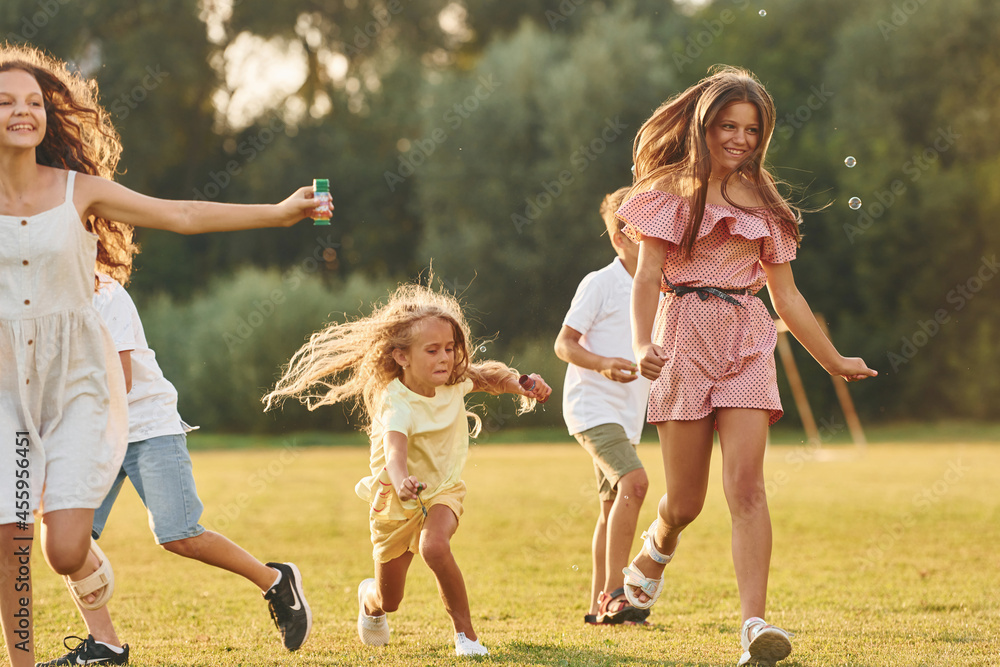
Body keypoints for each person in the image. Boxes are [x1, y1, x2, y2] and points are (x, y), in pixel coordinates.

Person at [0, 44, 319, 667]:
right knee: (11, 541)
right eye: (6, 102)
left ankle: (105, 624)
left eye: (34, 102)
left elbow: (183, 214)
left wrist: (278, 214)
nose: (23, 111)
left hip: (77, 391)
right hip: (9, 394)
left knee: (64, 551)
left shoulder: (79, 190)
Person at [618, 66, 877, 666]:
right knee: (686, 502)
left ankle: (754, 627)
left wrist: (833, 359)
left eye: (753, 130)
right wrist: (640, 344)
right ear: (703, 126)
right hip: (681, 341)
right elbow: (647, 277)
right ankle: (657, 545)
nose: (740, 138)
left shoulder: (765, 203)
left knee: (747, 488)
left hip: (746, 343)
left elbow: (787, 297)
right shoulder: (667, 192)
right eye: (729, 126)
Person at [32, 274, 311, 667]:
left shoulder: (105, 293)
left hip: (146, 425)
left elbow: (121, 380)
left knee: (179, 536)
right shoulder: (38, 300)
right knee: (66, 539)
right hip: (90, 434)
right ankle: (106, 645)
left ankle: (276, 581)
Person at [263, 282, 552, 657]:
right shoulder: (396, 403)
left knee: (435, 547)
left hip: (442, 489)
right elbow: (394, 453)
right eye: (432, 350)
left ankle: (467, 637)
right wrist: (401, 483)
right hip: (394, 501)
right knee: (390, 599)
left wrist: (522, 384)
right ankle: (369, 600)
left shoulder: (453, 379)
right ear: (402, 356)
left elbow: (489, 376)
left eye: (450, 348)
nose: (445, 358)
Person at [554, 187, 652, 626]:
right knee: (635, 482)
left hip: (627, 414)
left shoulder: (661, 287)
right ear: (619, 238)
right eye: (643, 232)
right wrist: (604, 364)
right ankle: (616, 595)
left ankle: (598, 608)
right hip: (592, 408)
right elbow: (564, 344)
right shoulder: (600, 283)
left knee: (612, 507)